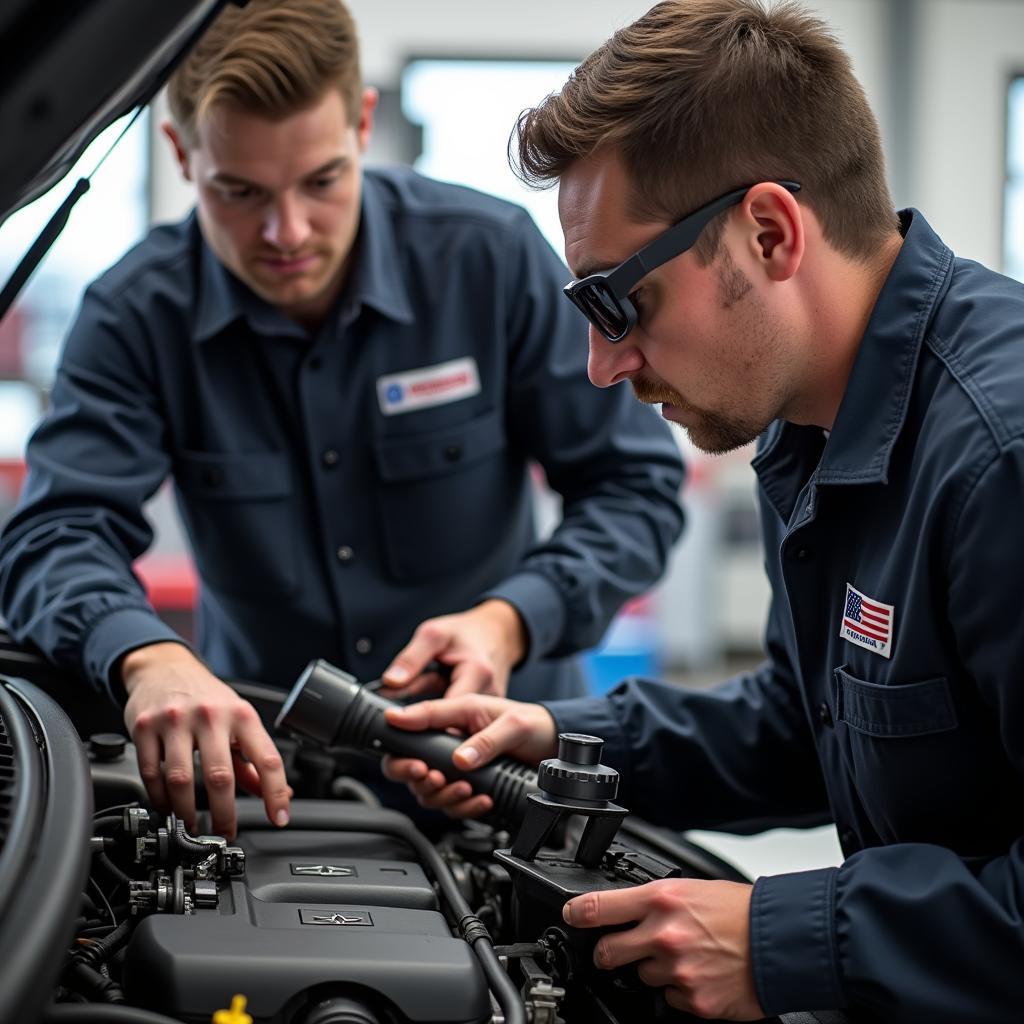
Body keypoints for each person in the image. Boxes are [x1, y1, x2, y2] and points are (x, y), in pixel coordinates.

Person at [381, 1, 1024, 1021]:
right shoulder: (810, 430)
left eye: (617, 302)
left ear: (767, 232)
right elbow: (808, 723)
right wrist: (554, 738)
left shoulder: (998, 461)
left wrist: (781, 941)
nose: (602, 366)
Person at [0, 0, 685, 842]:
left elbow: (634, 487)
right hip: (269, 790)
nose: (286, 231)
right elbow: (55, 532)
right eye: (239, 192)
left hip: (499, 774)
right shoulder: (137, 315)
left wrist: (512, 618)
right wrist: (147, 657)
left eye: (320, 182)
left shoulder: (487, 260)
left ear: (361, 125)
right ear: (182, 155)